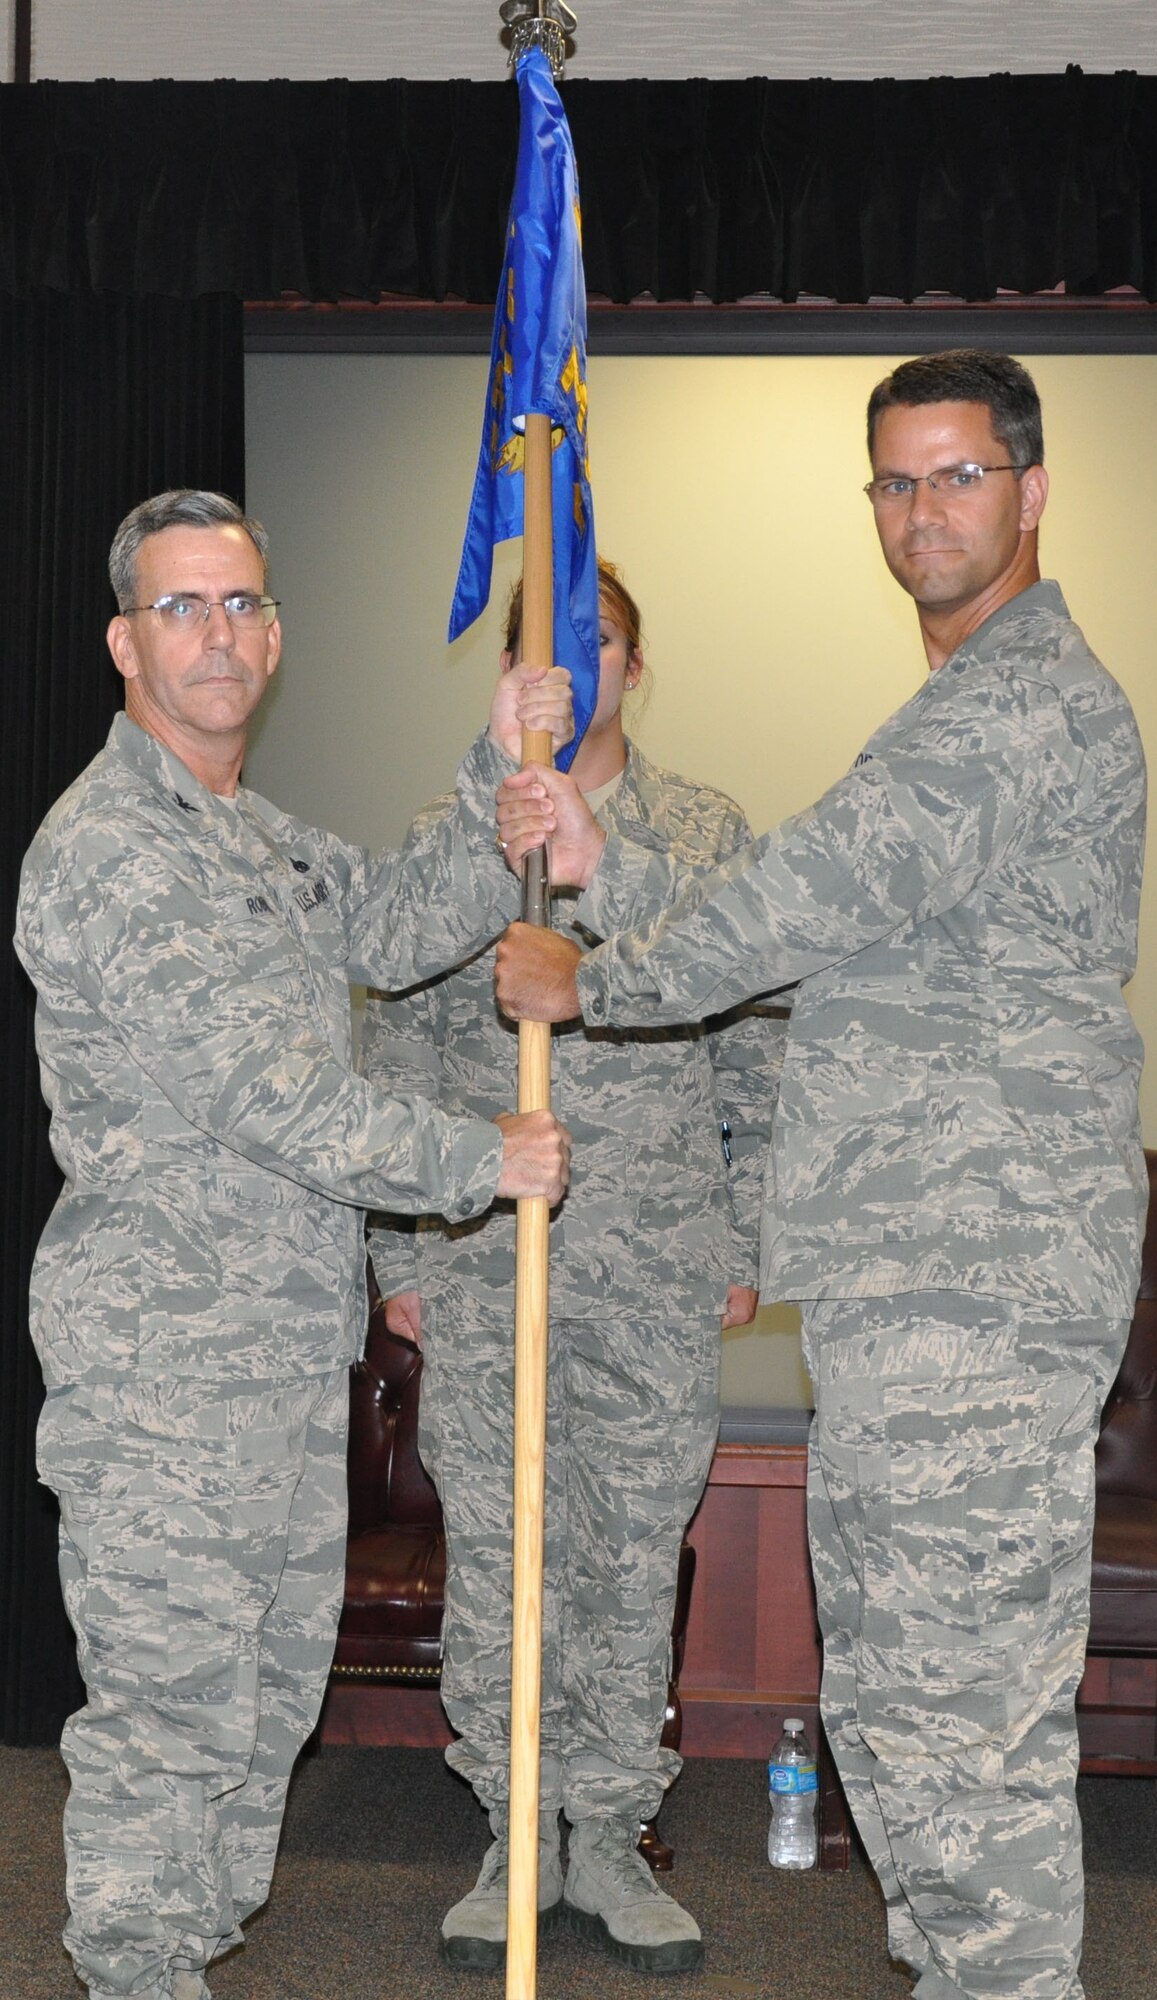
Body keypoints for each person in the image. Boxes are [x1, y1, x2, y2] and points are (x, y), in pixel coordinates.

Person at [493, 352, 1147, 2000]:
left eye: (958, 475)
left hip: (973, 1291)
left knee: (955, 1713)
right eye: (895, 481)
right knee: (902, 1702)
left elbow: (799, 901)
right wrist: (605, 869)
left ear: (1030, 490)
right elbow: (841, 932)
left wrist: (593, 975)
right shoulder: (955, 704)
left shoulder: (1019, 701)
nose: (924, 511)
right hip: (918, 1291)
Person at [13, 489, 572, 2000]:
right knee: (171, 1724)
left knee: (260, 1718)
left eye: (242, 604)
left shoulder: (256, 840)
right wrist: (483, 1161)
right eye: (182, 607)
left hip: (276, 1370)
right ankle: (141, 1974)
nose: (218, 634)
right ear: (125, 644)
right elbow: (271, 1099)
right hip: (165, 1379)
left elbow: (389, 925)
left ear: (275, 635)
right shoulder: (114, 847)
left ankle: (182, 1961)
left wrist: (497, 771)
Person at [362, 558, 783, 1975]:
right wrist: (396, 1247)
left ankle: (606, 1831)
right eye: (542, 643)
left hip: (655, 1264)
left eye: (595, 639)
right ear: (506, 677)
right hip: (487, 1259)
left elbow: (757, 1051)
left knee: (627, 1551)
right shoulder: (449, 843)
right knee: (501, 1554)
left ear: (633, 667)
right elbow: (395, 1054)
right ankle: (514, 1829)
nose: (569, 665)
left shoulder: (702, 834)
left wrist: (743, 1240)